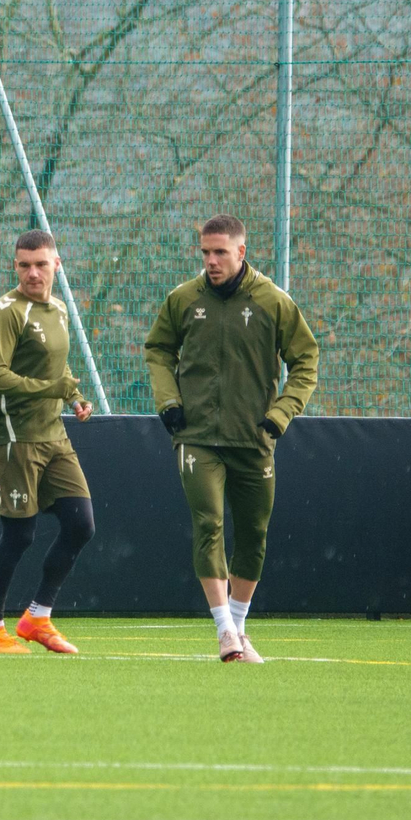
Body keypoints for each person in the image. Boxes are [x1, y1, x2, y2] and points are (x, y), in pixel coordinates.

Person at [144, 214, 318, 663]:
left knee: (255, 533)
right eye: (205, 252)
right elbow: (158, 349)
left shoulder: (273, 302)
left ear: (243, 252)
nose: (211, 261)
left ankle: (239, 630)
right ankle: (224, 631)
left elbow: (306, 362)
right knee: (209, 524)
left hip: (254, 438)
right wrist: (168, 401)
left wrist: (281, 413)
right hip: (196, 436)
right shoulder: (182, 299)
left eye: (220, 252)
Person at [0, 229, 96, 655]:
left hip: (53, 434)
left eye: (41, 264)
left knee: (81, 524)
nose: (33, 273)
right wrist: (55, 389)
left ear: (56, 265)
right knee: (20, 535)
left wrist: (75, 396)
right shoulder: (6, 312)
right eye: (24, 264)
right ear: (15, 266)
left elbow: (57, 373)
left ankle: (37, 617)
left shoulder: (59, 309)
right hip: (13, 437)